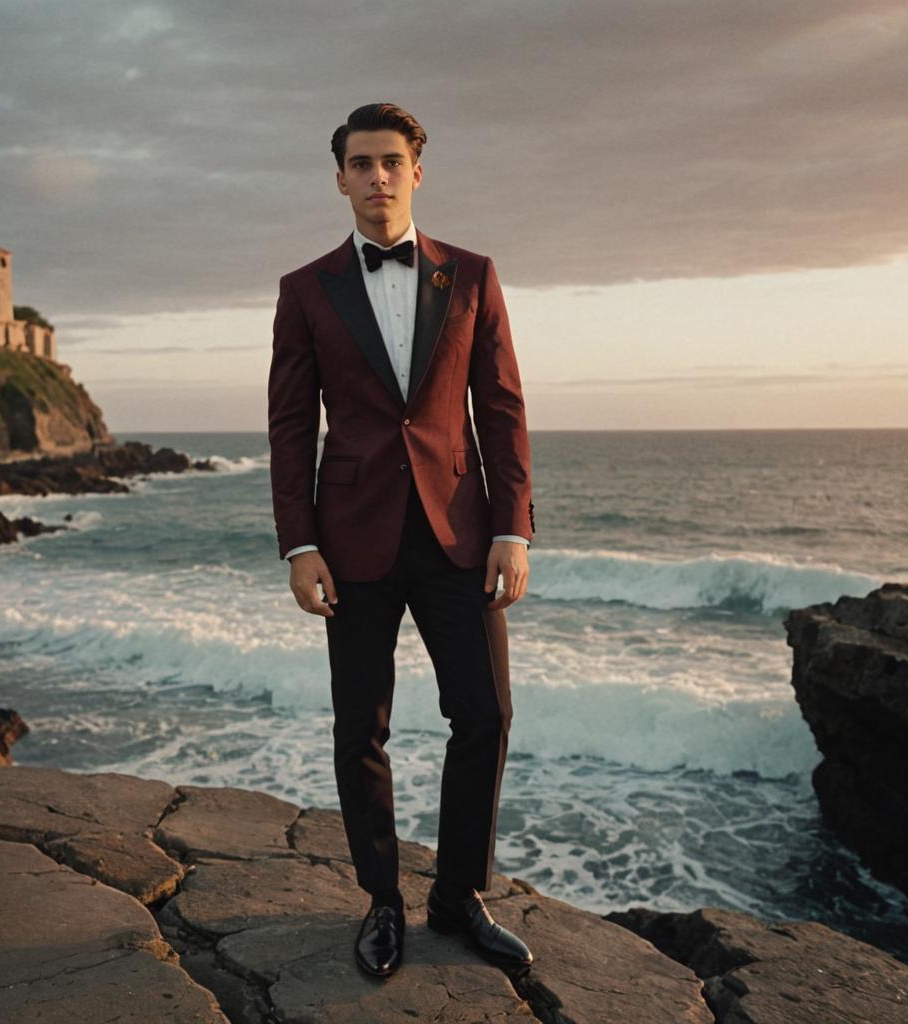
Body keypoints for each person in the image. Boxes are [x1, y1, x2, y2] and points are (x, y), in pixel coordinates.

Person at [267, 102, 535, 979]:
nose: (377, 177)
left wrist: (511, 527)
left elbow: (499, 408)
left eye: (392, 162)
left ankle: (457, 897)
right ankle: (382, 902)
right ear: (339, 177)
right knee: (361, 727)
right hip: (351, 538)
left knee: (485, 714)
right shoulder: (305, 290)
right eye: (361, 163)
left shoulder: (475, 275)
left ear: (418, 171)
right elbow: (288, 428)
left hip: (460, 530)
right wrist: (299, 545)